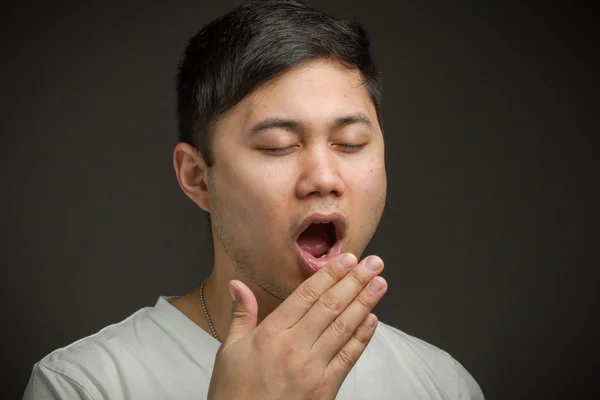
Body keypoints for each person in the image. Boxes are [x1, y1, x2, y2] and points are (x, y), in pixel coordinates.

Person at [23, 0, 485, 399]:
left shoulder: (444, 384)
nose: (324, 178)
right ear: (198, 178)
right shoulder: (83, 385)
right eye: (278, 146)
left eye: (350, 142)